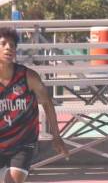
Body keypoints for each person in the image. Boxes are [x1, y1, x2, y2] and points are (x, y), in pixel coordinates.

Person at [0, 27, 68, 183]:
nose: (8, 47)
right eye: (3, 44)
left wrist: (56, 136)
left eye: (12, 45)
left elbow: (47, 103)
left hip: (22, 143)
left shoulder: (28, 76)